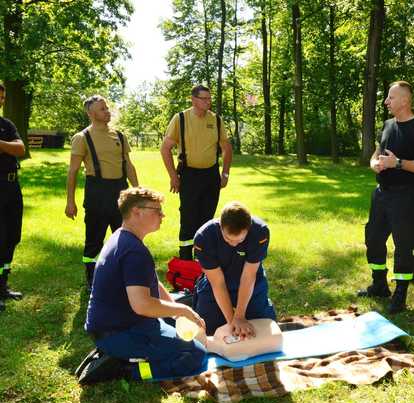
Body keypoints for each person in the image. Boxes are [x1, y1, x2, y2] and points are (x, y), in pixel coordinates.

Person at [84, 187, 208, 381]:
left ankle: (123, 356)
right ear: (136, 212)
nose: (162, 215)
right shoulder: (133, 250)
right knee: (196, 356)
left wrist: (176, 311)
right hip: (119, 333)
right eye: (156, 211)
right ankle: (124, 369)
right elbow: (142, 305)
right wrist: (184, 310)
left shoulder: (123, 237)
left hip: (115, 326)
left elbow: (152, 282)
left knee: (178, 316)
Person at [358, 81, 414, 314]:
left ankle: (400, 293)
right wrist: (375, 164)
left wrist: (398, 163)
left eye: (390, 98)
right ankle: (379, 284)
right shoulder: (388, 124)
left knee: (403, 245)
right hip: (381, 194)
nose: (386, 102)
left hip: (406, 196)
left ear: (404, 100)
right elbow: (377, 154)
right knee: (373, 238)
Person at [66, 95, 139, 289]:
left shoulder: (120, 136)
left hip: (120, 190)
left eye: (107, 108)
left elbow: (129, 165)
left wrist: (137, 190)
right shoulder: (82, 138)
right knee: (94, 237)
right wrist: (70, 201)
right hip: (97, 191)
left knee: (124, 235)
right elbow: (72, 171)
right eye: (102, 109)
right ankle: (92, 278)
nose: (107, 112)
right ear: (90, 114)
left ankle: (123, 274)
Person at [161, 85, 233, 260]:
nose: (208, 102)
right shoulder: (181, 119)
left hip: (211, 175)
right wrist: (173, 176)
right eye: (204, 98)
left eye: (209, 98)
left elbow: (227, 148)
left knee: (207, 218)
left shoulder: (216, 120)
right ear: (193, 100)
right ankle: (185, 259)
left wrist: (225, 174)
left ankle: (204, 258)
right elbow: (165, 148)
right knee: (188, 218)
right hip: (189, 175)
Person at [192, 201, 276, 337]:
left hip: (251, 283)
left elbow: (249, 276)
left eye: (239, 240)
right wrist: (233, 321)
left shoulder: (260, 232)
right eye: (228, 239)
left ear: (248, 229)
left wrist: (240, 316)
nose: (233, 244)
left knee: (263, 331)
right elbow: (217, 282)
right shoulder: (204, 237)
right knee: (206, 332)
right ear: (220, 225)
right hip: (215, 286)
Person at [0, 83, 26, 312]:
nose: (0, 100)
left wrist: (1, 145)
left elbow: (20, 149)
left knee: (12, 236)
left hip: (11, 186)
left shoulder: (6, 125)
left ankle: (3, 285)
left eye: (2, 97)